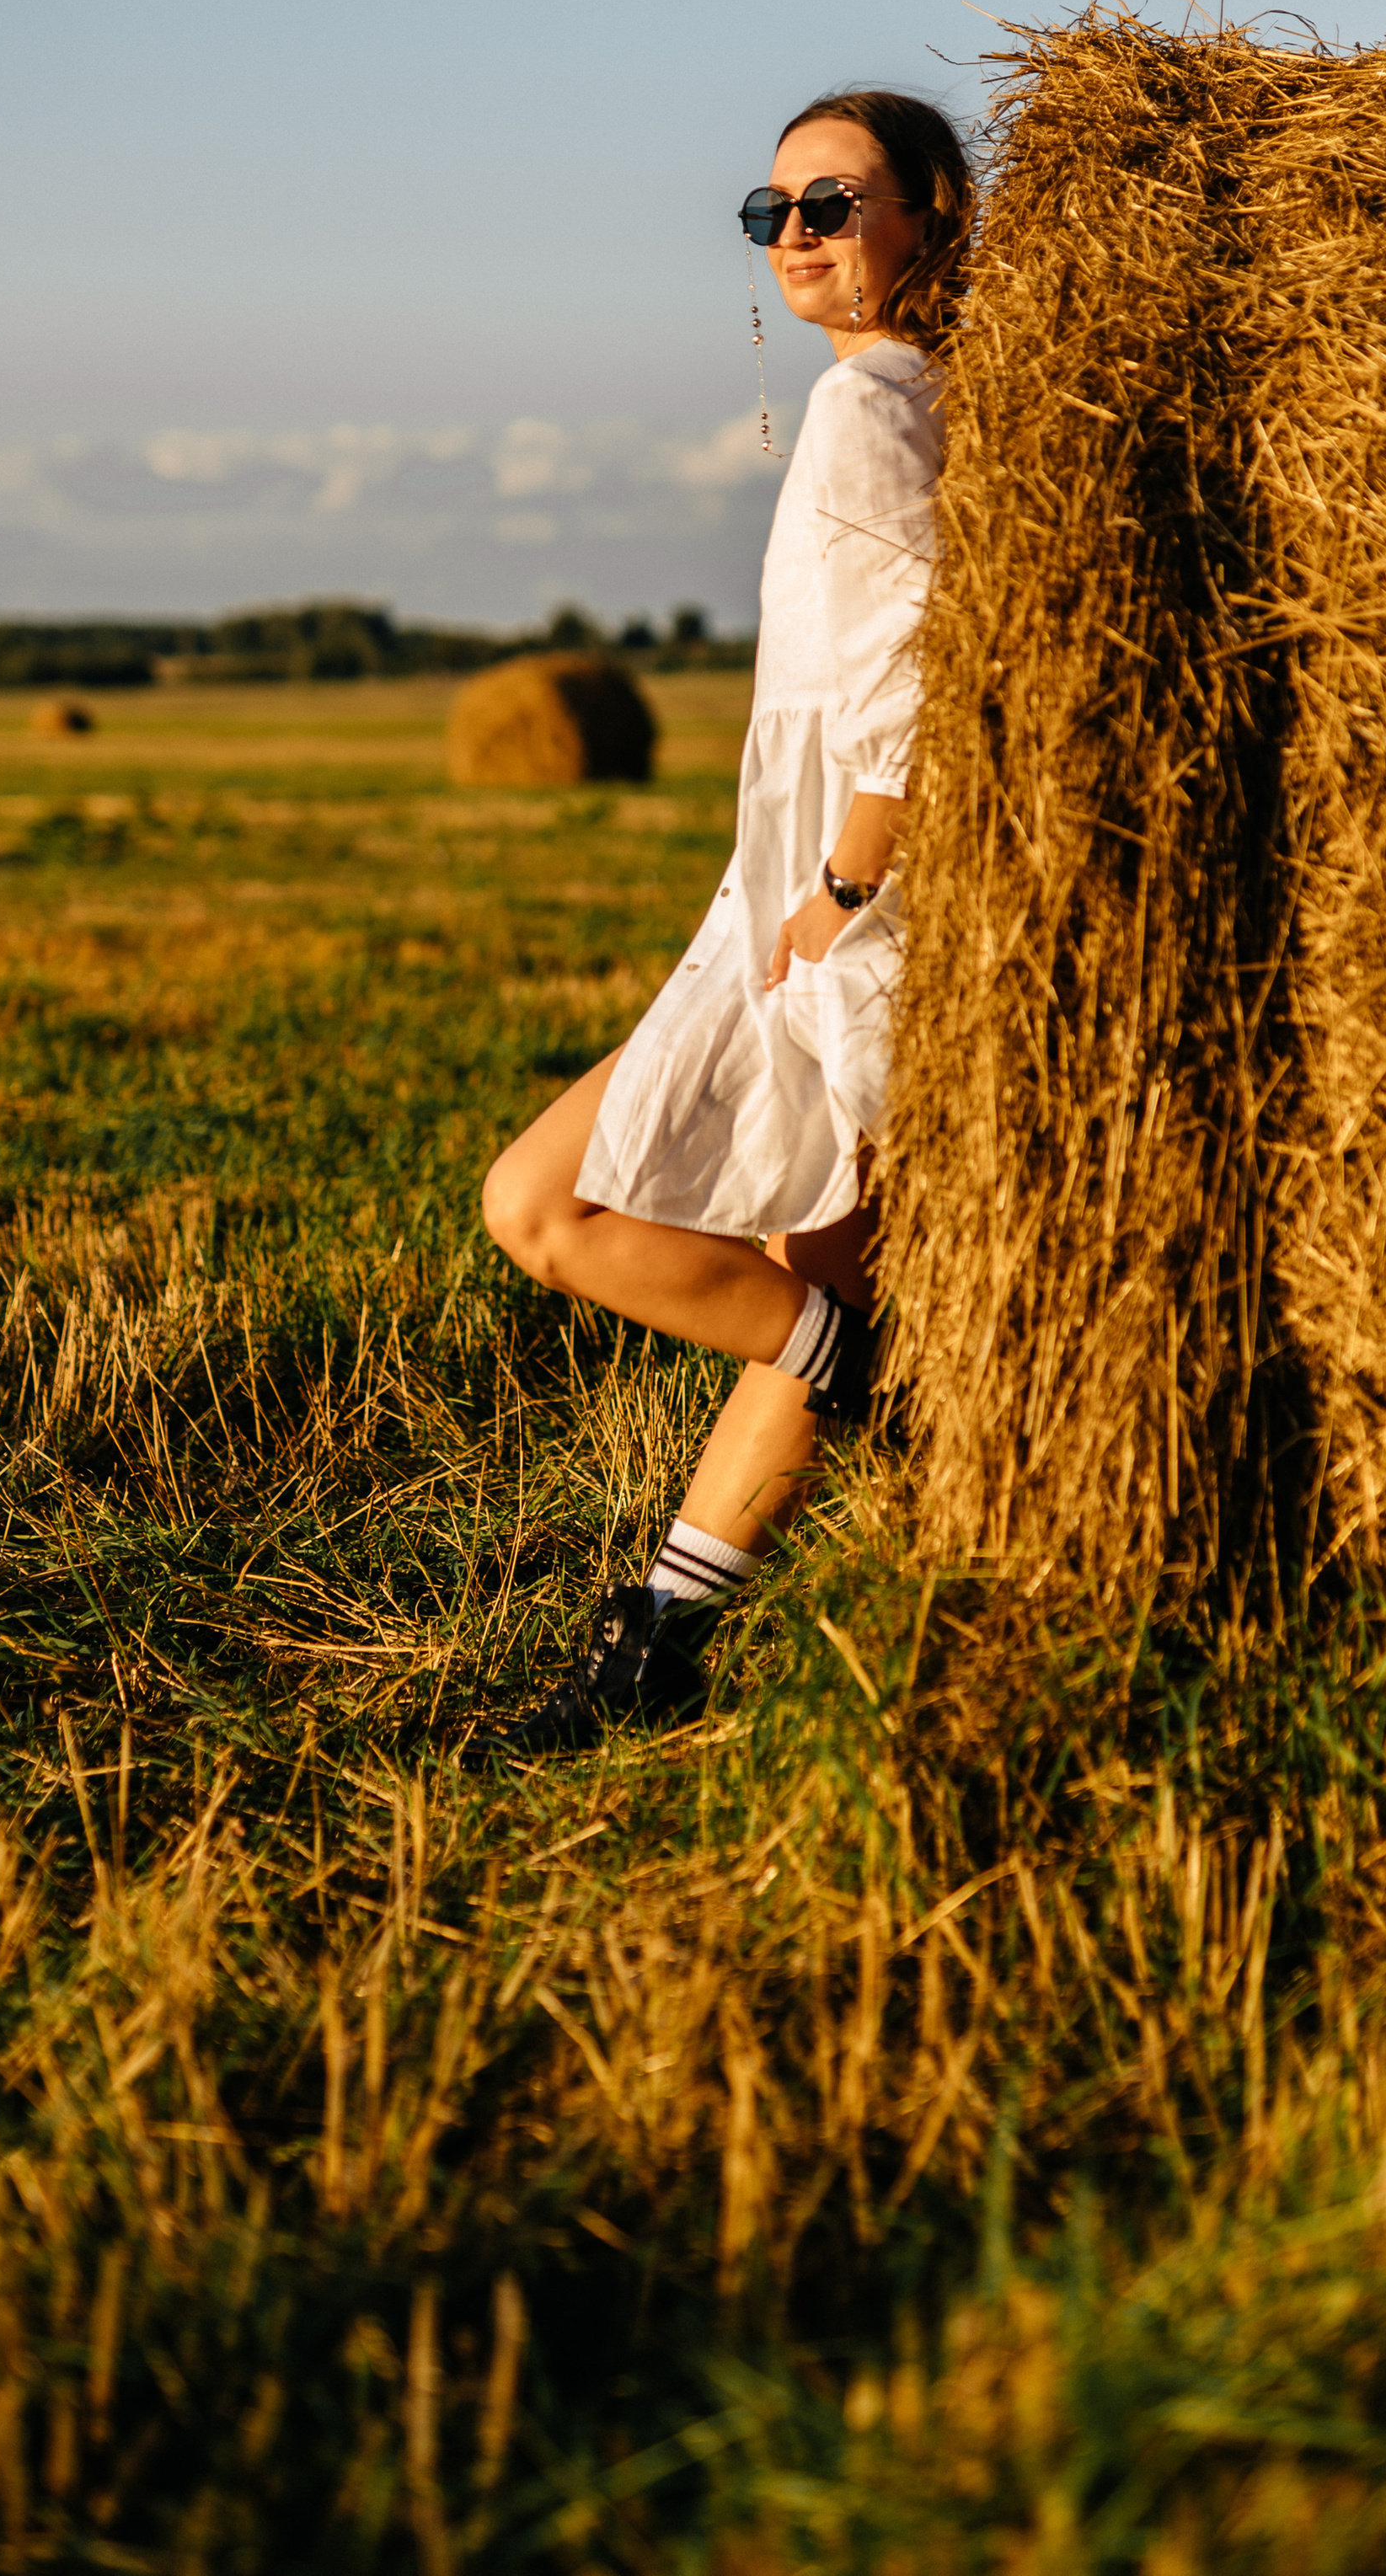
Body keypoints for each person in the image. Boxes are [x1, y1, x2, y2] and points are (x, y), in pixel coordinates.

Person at [471, 88, 974, 1757]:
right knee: (803, 1264)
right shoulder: (898, 394)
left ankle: (879, 1380)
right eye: (771, 216)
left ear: (930, 212)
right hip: (824, 895)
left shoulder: (869, 405)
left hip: (835, 902)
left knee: (542, 1205)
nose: (800, 237)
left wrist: (839, 887)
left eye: (833, 201)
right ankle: (662, 1645)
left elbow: (917, 671)